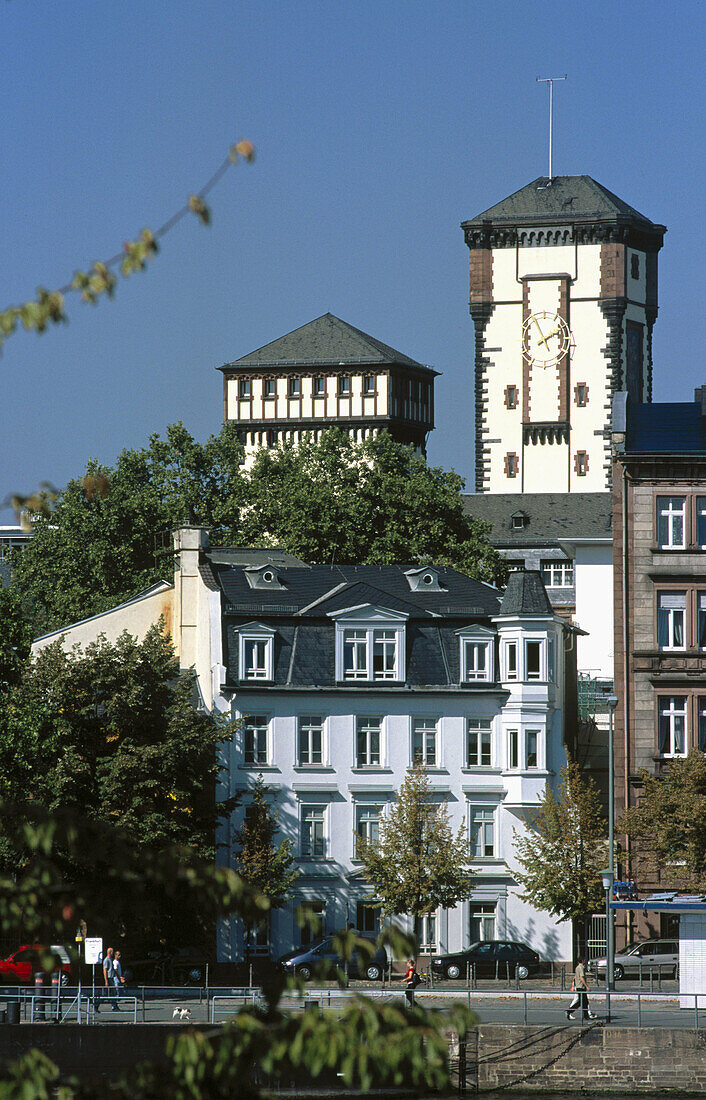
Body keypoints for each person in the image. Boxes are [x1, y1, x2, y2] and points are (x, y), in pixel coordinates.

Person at [566, 954, 596, 1022]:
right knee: (581, 1002)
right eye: (584, 960)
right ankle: (569, 1011)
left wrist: (574, 985)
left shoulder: (577, 967)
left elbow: (575, 977)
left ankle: (586, 1016)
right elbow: (581, 977)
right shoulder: (581, 968)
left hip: (578, 986)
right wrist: (587, 986)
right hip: (581, 987)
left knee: (584, 1002)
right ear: (582, 960)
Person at [99, 946, 119, 1012]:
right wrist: (106, 981)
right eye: (112, 952)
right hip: (109, 978)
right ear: (110, 952)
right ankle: (96, 1004)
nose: (113, 953)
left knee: (112, 993)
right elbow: (105, 970)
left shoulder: (110, 959)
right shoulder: (106, 960)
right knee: (106, 994)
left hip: (111, 978)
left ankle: (114, 1006)